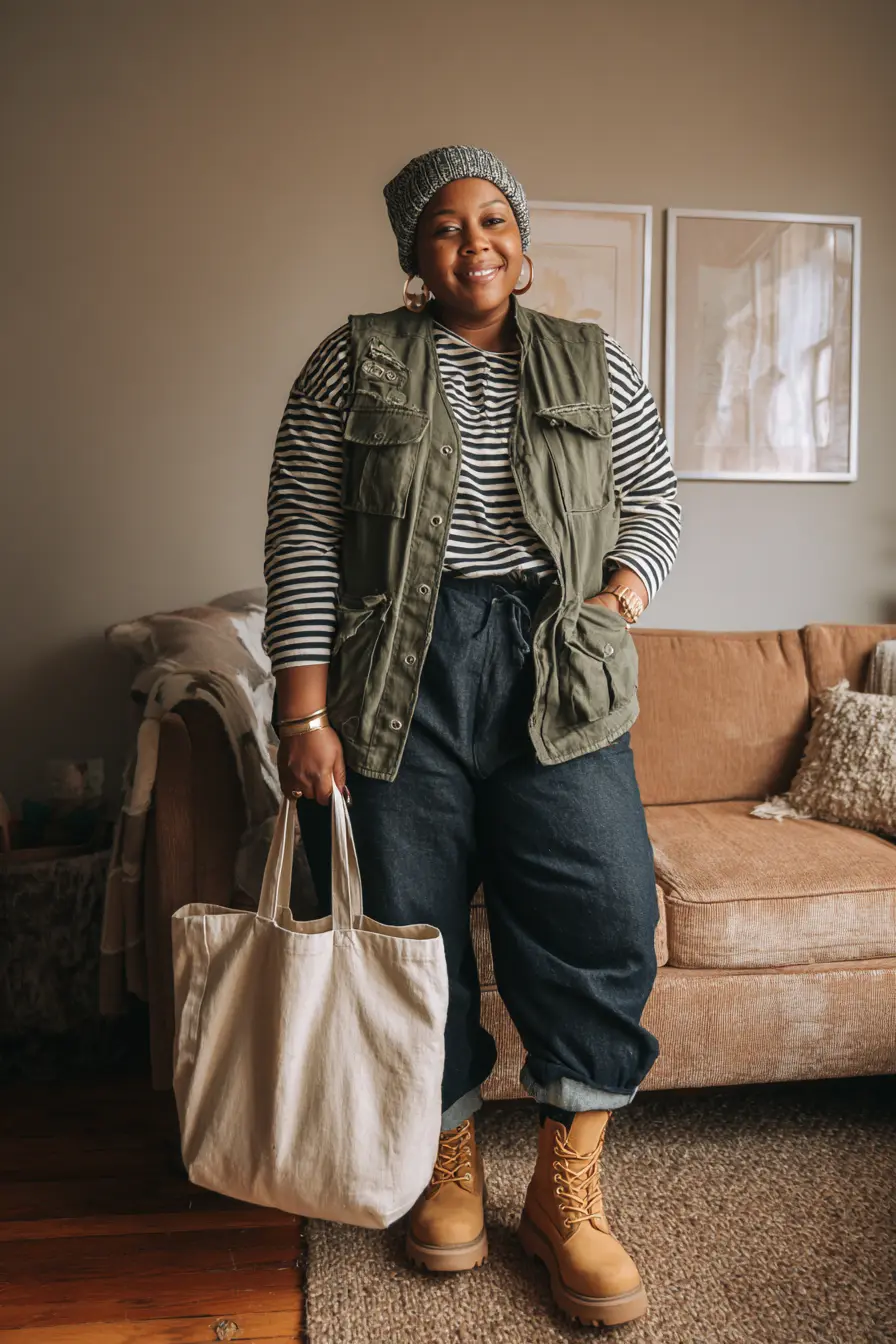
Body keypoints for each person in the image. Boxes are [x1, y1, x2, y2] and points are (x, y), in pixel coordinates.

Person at [262, 145, 681, 1328]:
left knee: (600, 909)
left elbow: (651, 496)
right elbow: (300, 528)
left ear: (523, 242)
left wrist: (617, 602)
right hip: (398, 666)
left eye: (491, 218)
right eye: (444, 225)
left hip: (559, 663)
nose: (472, 240)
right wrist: (303, 708)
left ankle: (564, 1190)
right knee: (409, 922)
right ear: (412, 253)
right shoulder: (350, 361)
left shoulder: (594, 361)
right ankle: (444, 1165)